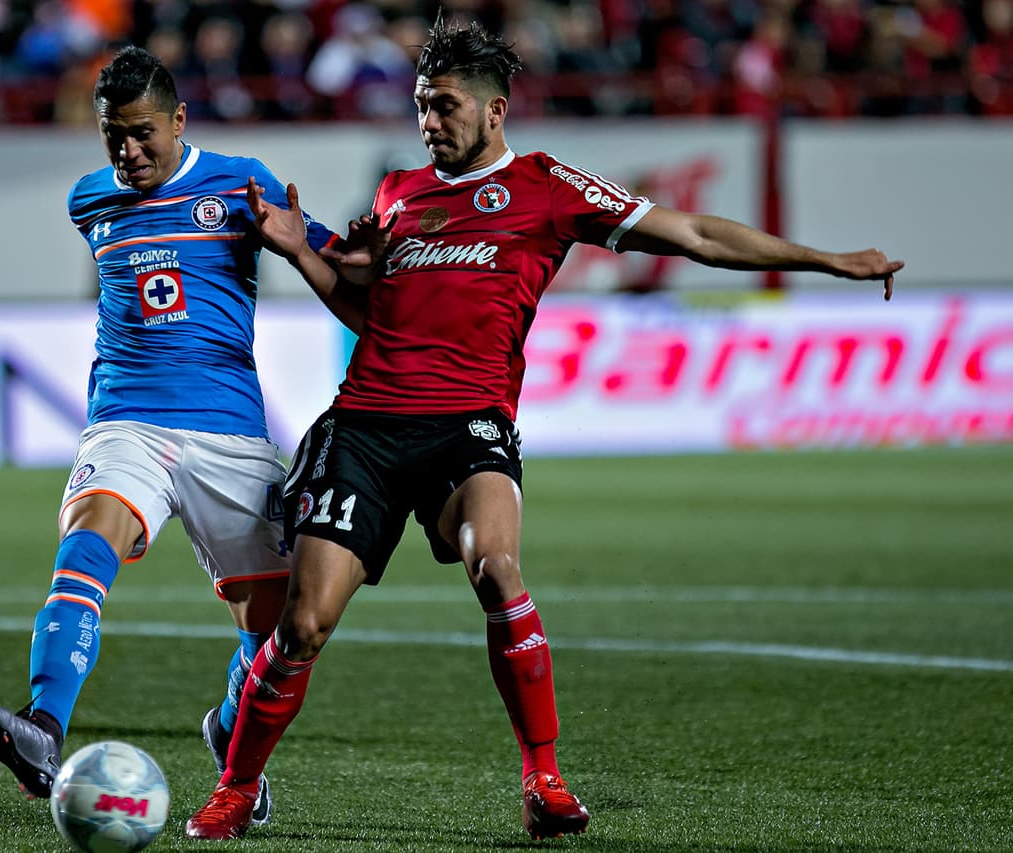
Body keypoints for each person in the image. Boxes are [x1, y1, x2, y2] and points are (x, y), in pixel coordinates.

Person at [183, 13, 902, 843]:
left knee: (498, 568)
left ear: (493, 111)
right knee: (304, 623)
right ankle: (237, 784)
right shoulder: (396, 196)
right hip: (369, 425)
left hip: (472, 425)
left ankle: (544, 780)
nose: (427, 120)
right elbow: (368, 308)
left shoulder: (548, 188)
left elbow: (696, 232)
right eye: (421, 103)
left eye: (444, 104)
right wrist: (299, 254)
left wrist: (826, 261)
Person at [0, 44, 343, 826]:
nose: (128, 152)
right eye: (113, 137)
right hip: (127, 418)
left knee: (278, 634)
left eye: (143, 134)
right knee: (87, 538)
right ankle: (42, 727)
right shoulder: (89, 202)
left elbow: (334, 254)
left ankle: (232, 738)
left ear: (178, 120)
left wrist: (332, 251)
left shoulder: (243, 183)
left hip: (231, 435)